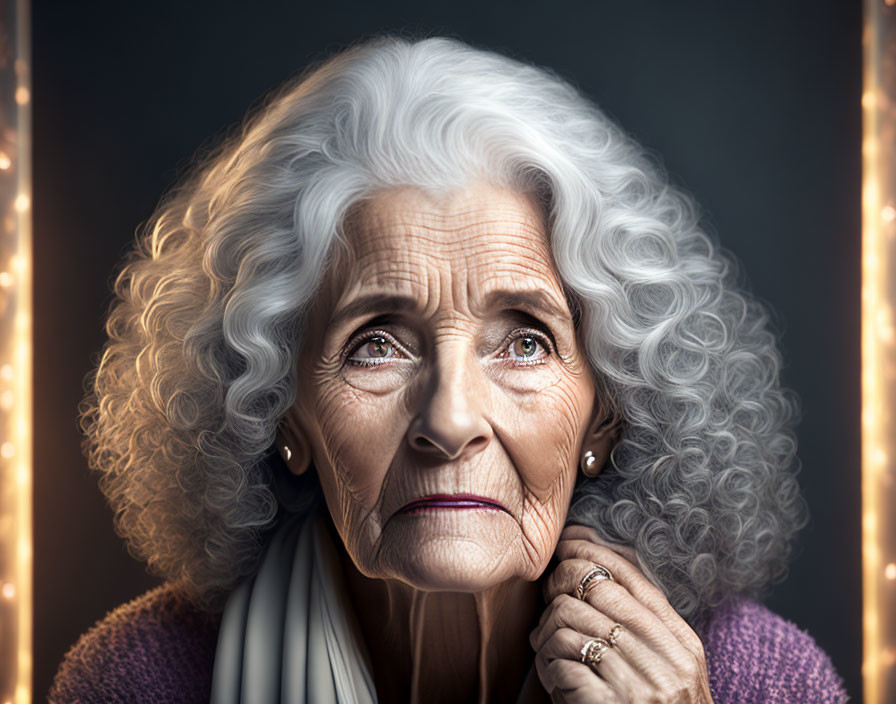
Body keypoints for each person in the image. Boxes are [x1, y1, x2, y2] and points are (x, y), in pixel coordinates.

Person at [50, 35, 848, 703]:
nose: (451, 420)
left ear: (604, 415)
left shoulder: (757, 680)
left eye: (525, 341)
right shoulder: (140, 680)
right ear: (282, 411)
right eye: (378, 342)